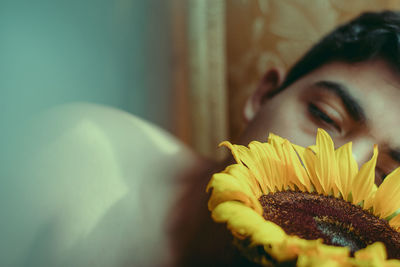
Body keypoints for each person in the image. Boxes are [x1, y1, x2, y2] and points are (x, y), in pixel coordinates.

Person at [5, 10, 400, 267]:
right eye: (324, 116)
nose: (341, 172)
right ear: (262, 95)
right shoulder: (71, 163)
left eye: (383, 176)